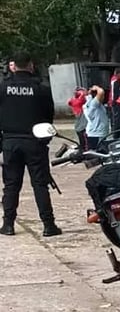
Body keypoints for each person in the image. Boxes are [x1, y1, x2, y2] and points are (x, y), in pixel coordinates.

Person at [0, 52, 61, 236]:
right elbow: (48, 117)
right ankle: (49, 225)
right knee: (40, 185)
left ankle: (8, 225)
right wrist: (45, 137)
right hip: (35, 142)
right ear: (30, 65)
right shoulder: (41, 88)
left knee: (11, 185)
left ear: (14, 66)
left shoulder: (3, 88)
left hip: (10, 141)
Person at [84, 85, 110, 150]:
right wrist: (96, 87)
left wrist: (89, 92)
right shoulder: (93, 104)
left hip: (98, 132)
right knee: (97, 154)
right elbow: (101, 92)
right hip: (96, 134)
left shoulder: (90, 102)